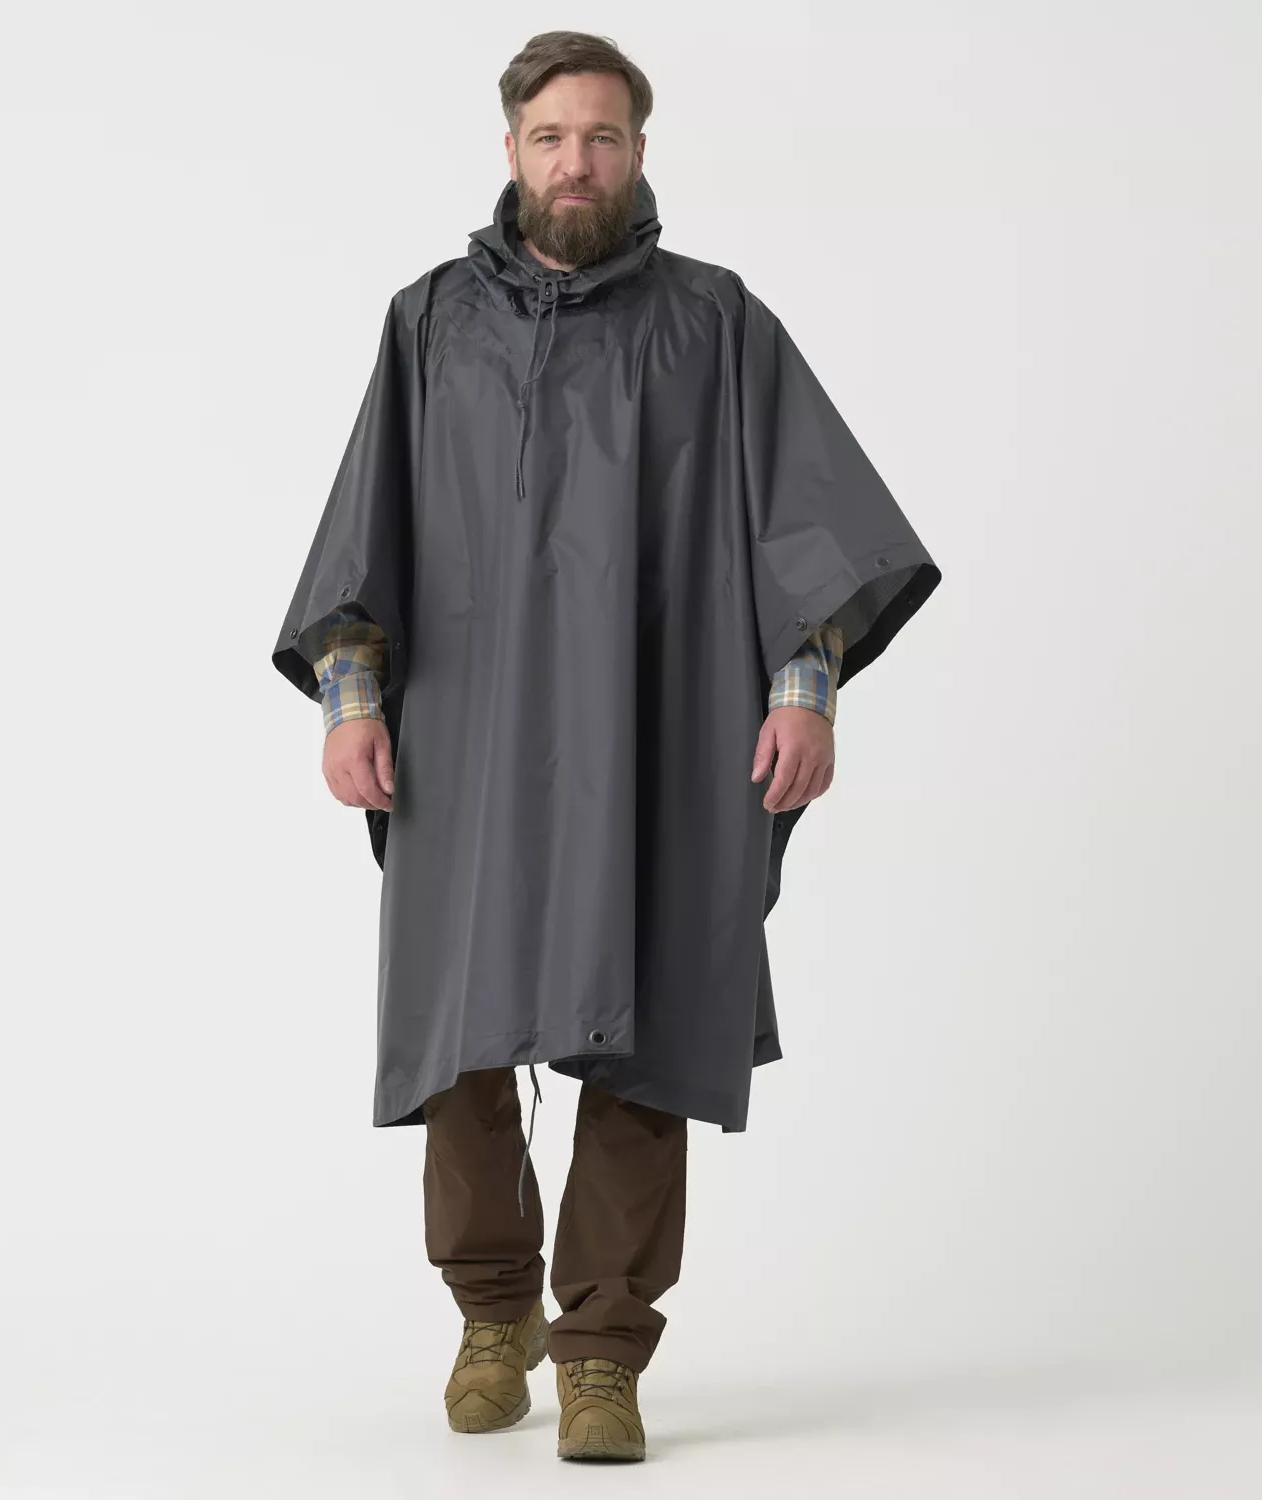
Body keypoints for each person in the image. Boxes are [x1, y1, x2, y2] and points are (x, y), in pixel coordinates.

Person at [271, 30, 940, 1463]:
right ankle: (491, 1315)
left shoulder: (713, 321)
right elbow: (367, 531)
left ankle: (602, 1353)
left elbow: (801, 518)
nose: (576, 163)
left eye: (603, 137)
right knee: (459, 1028)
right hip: (470, 734)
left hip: (663, 725)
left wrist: (806, 690)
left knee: (650, 1019)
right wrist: (353, 701)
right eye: (551, 137)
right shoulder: (430, 322)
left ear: (639, 152)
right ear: (511, 149)